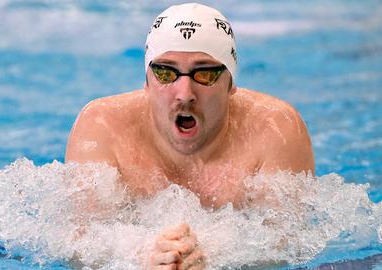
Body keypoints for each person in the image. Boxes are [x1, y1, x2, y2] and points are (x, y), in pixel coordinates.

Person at [65, 3, 314, 269]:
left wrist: (215, 258)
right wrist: (140, 257)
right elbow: (81, 248)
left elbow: (288, 248)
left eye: (204, 73)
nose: (185, 93)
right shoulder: (102, 128)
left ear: (230, 84)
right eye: (165, 72)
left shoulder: (275, 130)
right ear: (147, 82)